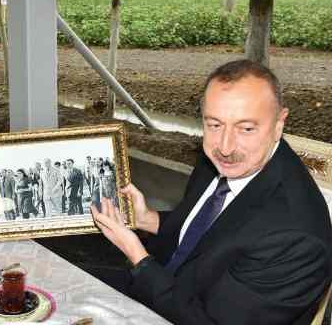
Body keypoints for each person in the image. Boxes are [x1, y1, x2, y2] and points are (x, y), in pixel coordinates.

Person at [91, 60, 332, 324]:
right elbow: (209, 231)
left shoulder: (297, 241)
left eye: (246, 128)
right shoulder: (225, 160)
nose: (225, 147)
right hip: (170, 284)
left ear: (278, 124)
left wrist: (138, 258)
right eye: (214, 124)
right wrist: (147, 219)